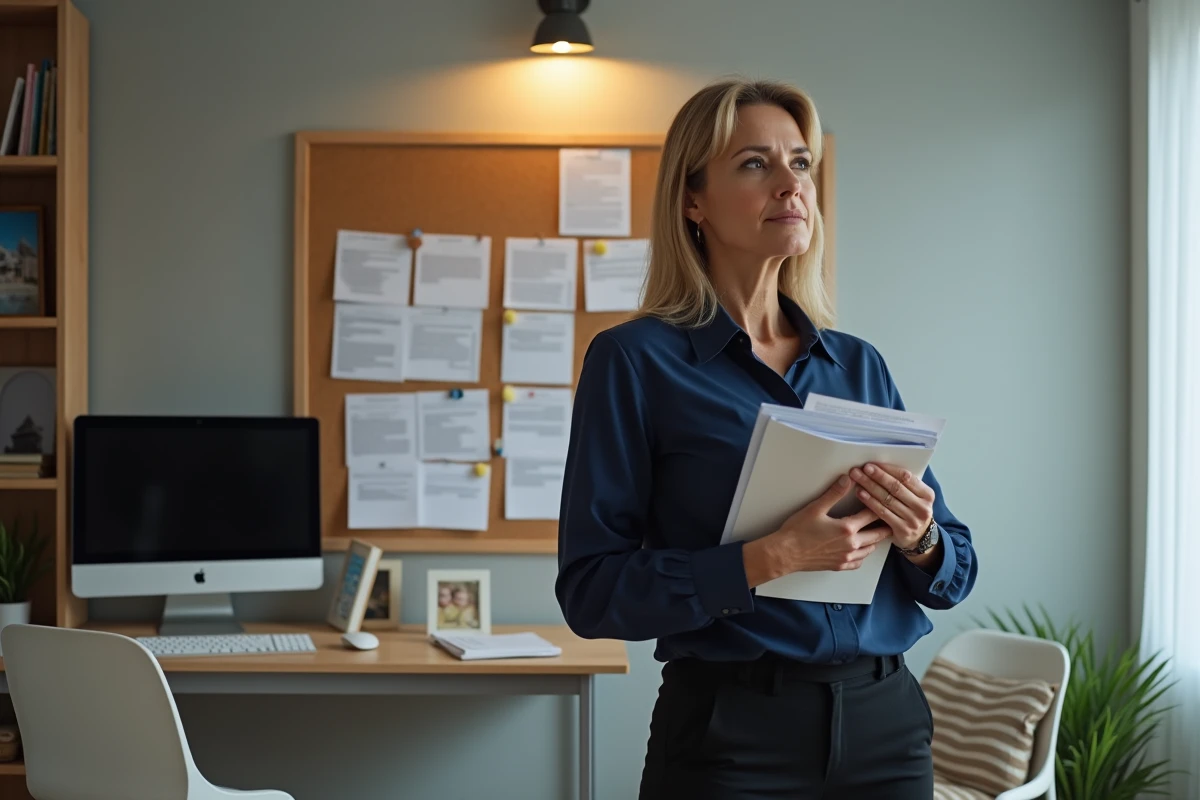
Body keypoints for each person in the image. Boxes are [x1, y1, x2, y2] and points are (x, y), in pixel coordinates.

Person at [555, 78, 979, 799]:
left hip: (888, 727)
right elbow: (593, 593)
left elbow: (955, 570)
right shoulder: (633, 361)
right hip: (732, 736)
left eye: (801, 164)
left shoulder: (858, 363)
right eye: (756, 164)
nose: (791, 184)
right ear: (693, 201)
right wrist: (766, 558)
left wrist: (921, 538)